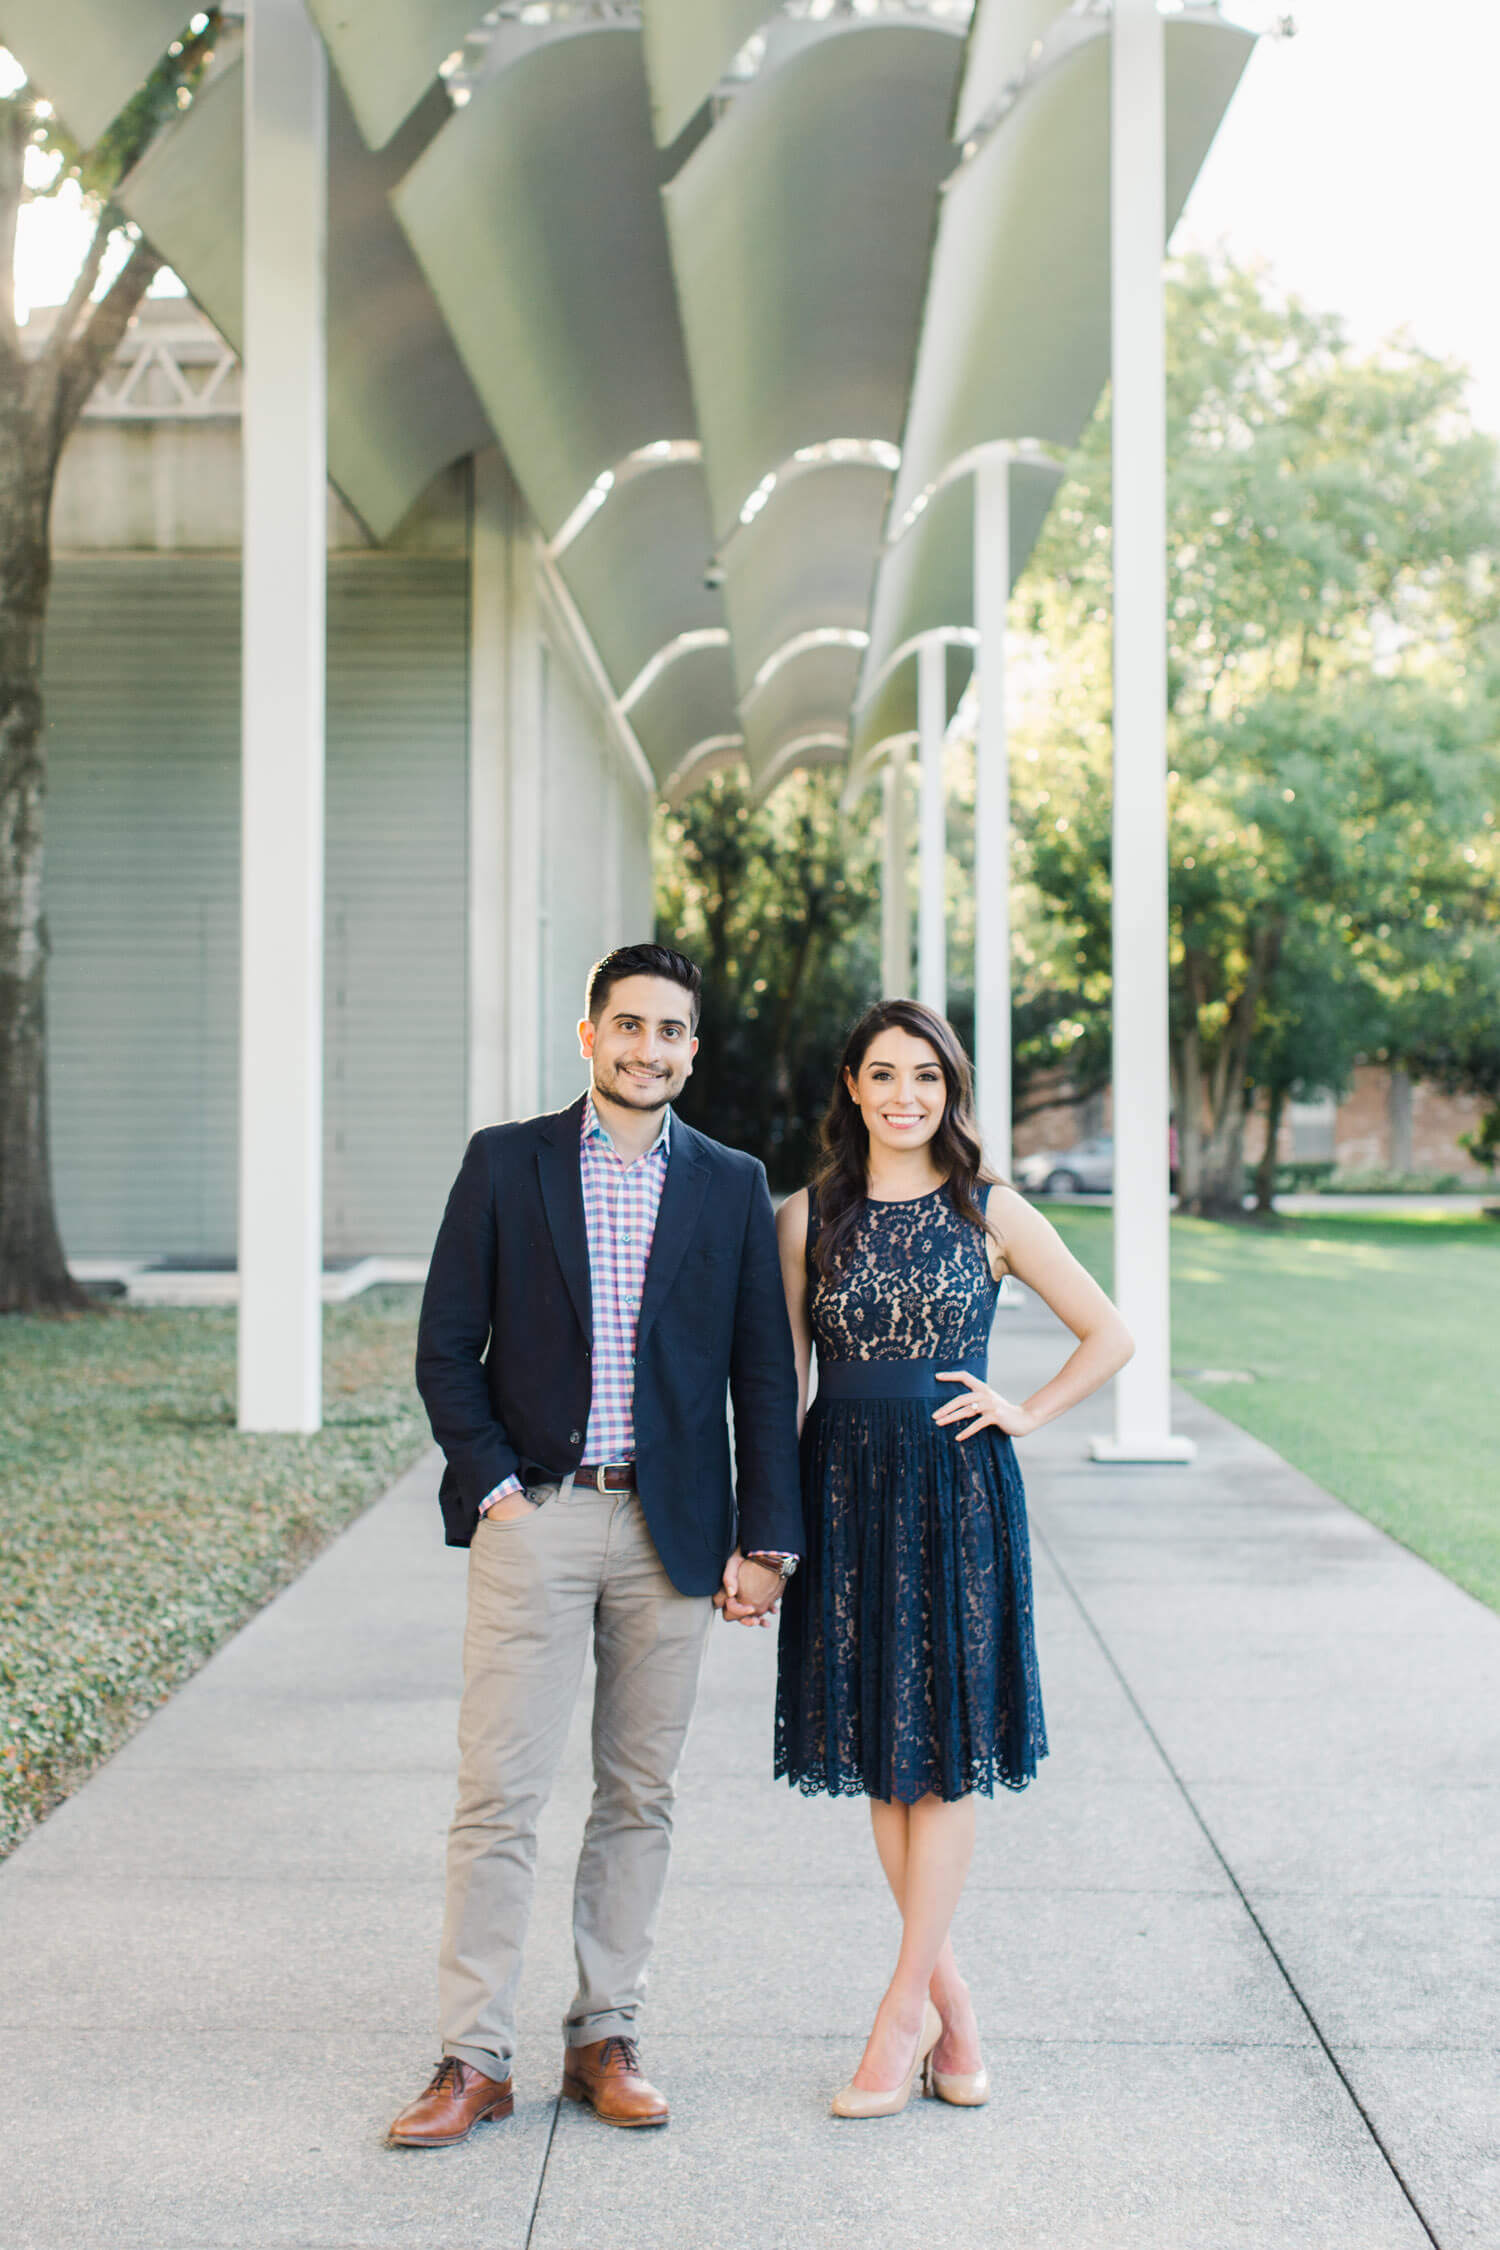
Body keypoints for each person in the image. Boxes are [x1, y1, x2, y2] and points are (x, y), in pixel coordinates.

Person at [388, 943, 801, 2146]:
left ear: (689, 1047)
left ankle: (603, 2037)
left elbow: (763, 1380)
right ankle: (474, 2060)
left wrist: (764, 1539)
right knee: (499, 1796)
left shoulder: (730, 1183)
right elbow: (444, 1349)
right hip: (543, 1516)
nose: (649, 1049)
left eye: (671, 1031)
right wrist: (502, 1493)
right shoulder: (506, 1163)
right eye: (629, 1026)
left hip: (675, 1533)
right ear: (589, 1034)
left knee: (639, 1792)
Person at [760, 998, 1132, 2118]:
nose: (905, 1095)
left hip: (956, 1487)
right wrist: (768, 1535)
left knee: (948, 1751)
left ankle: (896, 2018)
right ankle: (953, 2008)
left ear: (950, 1089)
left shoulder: (992, 1210)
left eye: (926, 1076)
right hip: (843, 1489)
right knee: (886, 1749)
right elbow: (780, 1392)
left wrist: (1027, 1411)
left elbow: (1109, 1334)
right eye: (884, 1074)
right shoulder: (803, 1217)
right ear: (853, 1087)